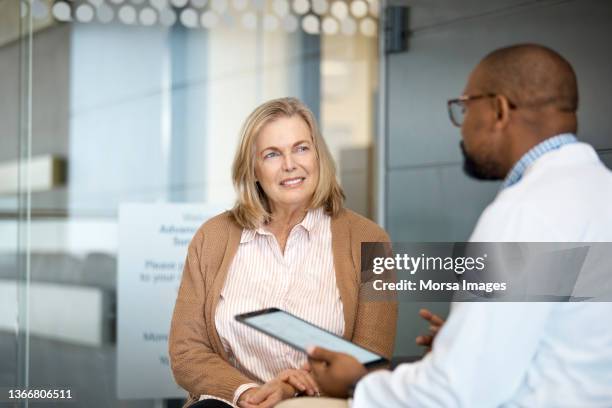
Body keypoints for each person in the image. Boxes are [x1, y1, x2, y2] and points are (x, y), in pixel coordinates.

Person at [278, 44, 612, 407]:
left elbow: (457, 392)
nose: (462, 125)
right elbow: (568, 340)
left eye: (465, 107)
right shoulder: (597, 193)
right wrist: (461, 344)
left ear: (498, 110)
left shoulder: (524, 213)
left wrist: (359, 384)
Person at [168, 97, 397, 408]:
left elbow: (372, 359)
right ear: (252, 169)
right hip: (232, 402)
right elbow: (186, 352)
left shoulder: (369, 240)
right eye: (272, 154)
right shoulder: (213, 237)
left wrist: (294, 388)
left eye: (301, 148)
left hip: (321, 403)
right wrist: (249, 391)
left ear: (319, 156)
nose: (290, 164)